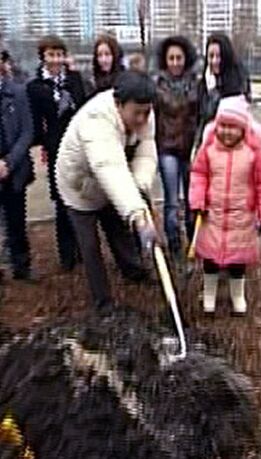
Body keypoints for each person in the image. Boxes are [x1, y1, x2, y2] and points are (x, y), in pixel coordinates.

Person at [55, 71, 159, 315]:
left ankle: (134, 271)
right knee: (90, 245)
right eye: (138, 113)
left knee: (120, 231)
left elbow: (146, 150)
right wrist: (137, 212)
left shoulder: (144, 113)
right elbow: (109, 167)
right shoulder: (96, 120)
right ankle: (103, 302)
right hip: (79, 186)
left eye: (147, 112)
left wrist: (141, 186)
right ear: (118, 104)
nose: (143, 119)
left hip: (112, 184)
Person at [189, 95, 261, 316]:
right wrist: (197, 200)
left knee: (238, 261)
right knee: (210, 259)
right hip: (213, 214)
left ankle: (238, 295)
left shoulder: (255, 153)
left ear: (243, 128)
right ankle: (209, 294)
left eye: (232, 127)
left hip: (241, 216)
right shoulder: (208, 149)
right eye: (222, 126)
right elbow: (199, 175)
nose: (227, 132)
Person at [27, 35, 86, 271]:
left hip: (77, 148)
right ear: (43, 57)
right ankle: (67, 254)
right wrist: (43, 142)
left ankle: (83, 248)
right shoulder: (35, 87)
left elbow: (82, 108)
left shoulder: (74, 80)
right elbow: (35, 120)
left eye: (60, 54)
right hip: (54, 149)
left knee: (80, 198)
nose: (56, 59)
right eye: (51, 55)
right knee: (61, 202)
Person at [154, 36, 199, 259]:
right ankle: (174, 246)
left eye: (179, 58)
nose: (175, 63)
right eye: (171, 58)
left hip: (190, 149)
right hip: (167, 148)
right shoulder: (158, 85)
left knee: (193, 200)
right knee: (171, 201)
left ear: (186, 58)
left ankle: (194, 242)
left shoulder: (197, 84)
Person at [0, 50, 34, 282]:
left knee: (16, 220)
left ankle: (21, 266)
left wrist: (8, 162)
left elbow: (27, 131)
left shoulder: (18, 92)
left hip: (14, 168)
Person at [195, 33, 250, 154]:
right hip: (208, 145)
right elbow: (202, 117)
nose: (214, 61)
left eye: (218, 56)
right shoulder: (204, 83)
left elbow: (217, 113)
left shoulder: (238, 82)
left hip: (232, 147)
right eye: (211, 56)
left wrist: (213, 91)